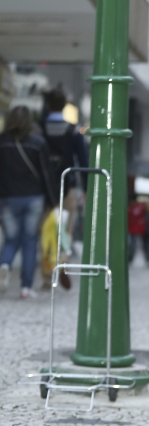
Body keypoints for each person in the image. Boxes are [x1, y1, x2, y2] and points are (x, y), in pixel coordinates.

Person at [0, 106, 57, 299]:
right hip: (34, 198)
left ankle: (4, 265)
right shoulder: (38, 143)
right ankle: (26, 288)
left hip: (7, 198)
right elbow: (46, 174)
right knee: (30, 241)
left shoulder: (2, 143)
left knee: (10, 239)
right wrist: (53, 200)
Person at [41, 88, 89, 242]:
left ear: (48, 104)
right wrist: (87, 189)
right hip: (68, 185)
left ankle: (46, 262)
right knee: (65, 232)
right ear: (65, 106)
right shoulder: (74, 131)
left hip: (43, 187)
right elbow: (83, 161)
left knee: (44, 230)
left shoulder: (39, 129)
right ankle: (61, 262)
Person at [127, 195, 147, 265]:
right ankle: (129, 258)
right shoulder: (129, 208)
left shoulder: (139, 208)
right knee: (129, 244)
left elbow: (141, 220)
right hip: (129, 230)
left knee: (133, 245)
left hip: (136, 231)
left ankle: (131, 258)